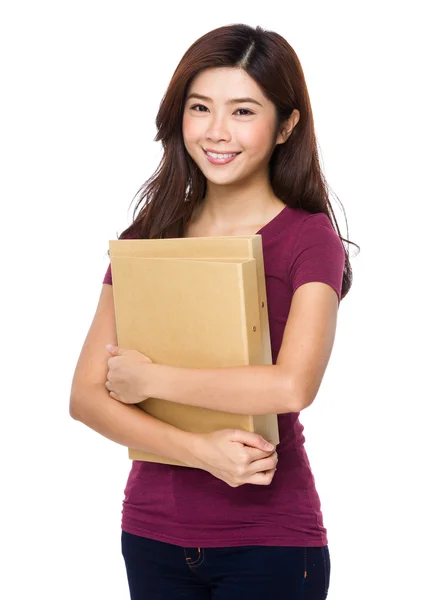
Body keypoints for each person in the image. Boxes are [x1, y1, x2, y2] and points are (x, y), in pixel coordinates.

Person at [70, 23, 357, 600]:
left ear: (286, 126)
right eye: (201, 107)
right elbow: (85, 397)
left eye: (244, 111)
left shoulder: (308, 238)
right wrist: (203, 454)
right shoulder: (147, 237)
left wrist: (150, 380)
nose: (217, 132)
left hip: (269, 541)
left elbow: (292, 386)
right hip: (150, 533)